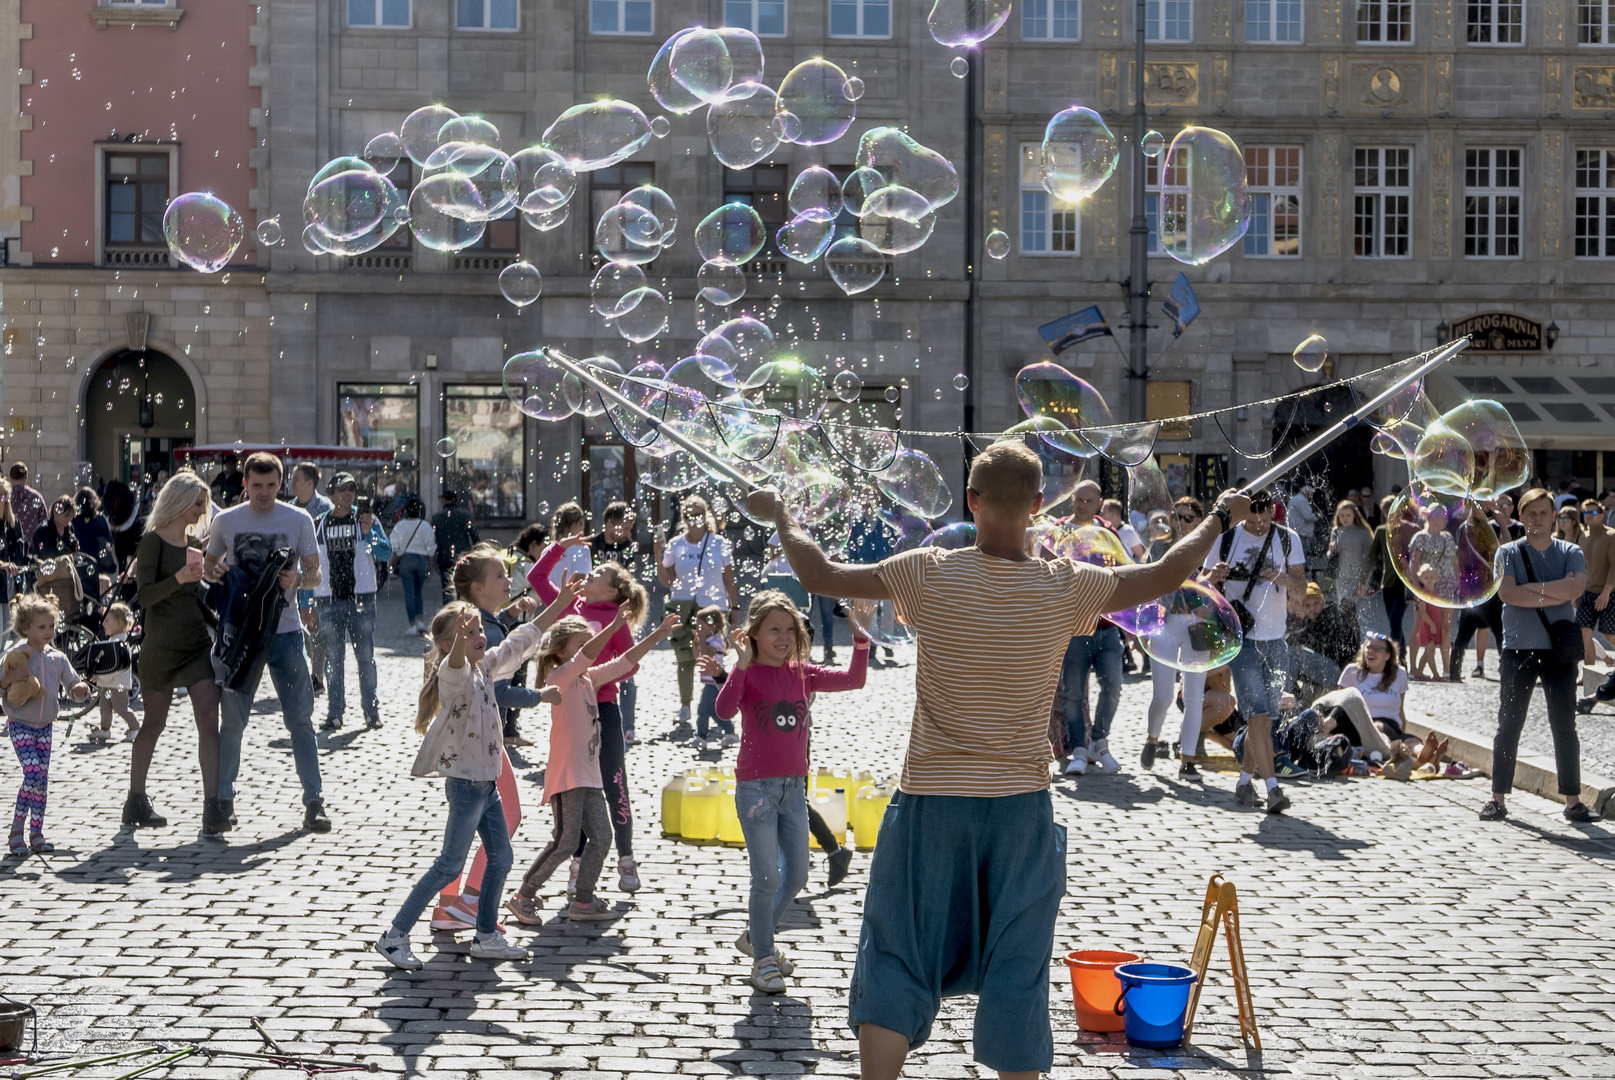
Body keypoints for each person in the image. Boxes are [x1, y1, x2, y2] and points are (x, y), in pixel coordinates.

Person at [756, 440, 1252, 1078]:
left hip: (933, 801)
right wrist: (1220, 517)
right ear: (1040, 505)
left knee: (898, 948)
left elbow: (821, 576)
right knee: (1018, 962)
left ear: (971, 501)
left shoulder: (927, 571)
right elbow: (1160, 578)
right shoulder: (1064, 586)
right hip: (1019, 808)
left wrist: (780, 517)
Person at [374, 602, 557, 971]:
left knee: (502, 858)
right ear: (447, 644)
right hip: (467, 786)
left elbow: (521, 641)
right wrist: (459, 638)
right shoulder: (453, 674)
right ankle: (394, 937)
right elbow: (455, 661)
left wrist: (561, 605)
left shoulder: (485, 666)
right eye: (468, 633)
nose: (478, 637)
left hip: (485, 785)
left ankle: (486, 936)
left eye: (478, 632)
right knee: (448, 866)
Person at [716, 590, 874, 994]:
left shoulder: (803, 672)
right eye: (773, 630)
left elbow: (854, 680)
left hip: (793, 789)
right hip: (757, 792)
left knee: (798, 874)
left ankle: (756, 936)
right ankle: (764, 958)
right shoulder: (749, 672)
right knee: (766, 877)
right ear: (753, 634)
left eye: (790, 629)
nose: (783, 636)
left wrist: (861, 639)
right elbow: (724, 710)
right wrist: (740, 667)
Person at [505, 607, 680, 926]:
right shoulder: (559, 678)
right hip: (566, 776)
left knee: (601, 837)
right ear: (560, 651)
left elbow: (625, 662)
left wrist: (657, 634)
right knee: (565, 841)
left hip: (590, 778)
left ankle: (583, 901)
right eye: (581, 644)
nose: (592, 649)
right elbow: (587, 656)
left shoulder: (589, 679)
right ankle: (523, 896)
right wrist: (613, 625)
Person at [430, 561, 579, 933]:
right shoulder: (482, 631)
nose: (508, 581)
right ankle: (469, 900)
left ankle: (449, 907)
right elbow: (499, 685)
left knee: (462, 830)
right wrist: (539, 696)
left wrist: (547, 607)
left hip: (471, 747)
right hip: (483, 746)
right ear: (477, 589)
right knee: (508, 815)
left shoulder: (473, 623)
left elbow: (522, 638)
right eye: (499, 576)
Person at [204, 452, 330, 833]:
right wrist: (216, 569)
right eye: (256, 486)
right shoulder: (226, 520)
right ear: (244, 484)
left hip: (286, 631)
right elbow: (208, 569)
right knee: (233, 723)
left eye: (271, 485)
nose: (263, 493)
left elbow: (315, 573)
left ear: (281, 483)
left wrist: (298, 581)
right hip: (240, 635)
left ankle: (314, 801)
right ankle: (223, 801)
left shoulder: (298, 519)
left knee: (300, 720)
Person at [529, 538, 650, 893]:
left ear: (612, 591)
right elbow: (538, 577)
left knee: (614, 783)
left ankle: (626, 857)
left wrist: (594, 676)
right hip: (572, 714)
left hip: (605, 710)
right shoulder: (570, 605)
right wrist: (558, 546)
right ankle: (579, 861)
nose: (590, 571)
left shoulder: (616, 617)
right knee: (577, 787)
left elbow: (630, 663)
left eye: (599, 572)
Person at [1485, 487, 1595, 824]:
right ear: (1521, 516)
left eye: (1543, 513)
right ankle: (1497, 797)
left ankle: (1572, 801)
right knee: (1509, 724)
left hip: (1559, 651)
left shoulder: (1571, 550)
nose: (1537, 519)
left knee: (1564, 725)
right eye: (1530, 513)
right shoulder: (1507, 551)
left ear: (1554, 517)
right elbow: (1508, 595)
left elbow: (1575, 590)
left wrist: (1532, 589)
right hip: (1517, 648)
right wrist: (1554, 591)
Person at [131, 472, 227, 833]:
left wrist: (217, 619)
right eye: (198, 503)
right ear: (179, 501)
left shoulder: (192, 542)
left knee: (209, 723)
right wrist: (180, 579)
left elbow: (193, 598)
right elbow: (144, 597)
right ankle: (135, 800)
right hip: (159, 648)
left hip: (195, 646)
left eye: (204, 503)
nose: (203, 510)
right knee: (153, 724)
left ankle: (212, 807)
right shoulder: (152, 542)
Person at [1205, 489, 1305, 813]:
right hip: (1241, 639)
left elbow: (1302, 591)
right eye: (1253, 519)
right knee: (1257, 715)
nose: (1260, 524)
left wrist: (1283, 578)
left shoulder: (1288, 539)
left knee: (1265, 719)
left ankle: (1244, 783)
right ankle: (1273, 788)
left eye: (1266, 518)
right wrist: (1212, 577)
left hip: (1276, 639)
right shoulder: (1224, 539)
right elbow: (1202, 587)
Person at [2, 593, 91, 853]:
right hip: (20, 723)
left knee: (41, 781)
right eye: (42, 627)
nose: (48, 632)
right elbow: (0, 682)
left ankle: (36, 833)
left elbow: (73, 683)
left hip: (46, 726)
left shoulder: (57, 658)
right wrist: (9, 680)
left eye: (51, 626)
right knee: (33, 773)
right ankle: (16, 832)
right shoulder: (16, 655)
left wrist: (80, 689)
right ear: (25, 628)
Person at [311, 474, 391, 732]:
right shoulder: (321, 523)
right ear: (331, 493)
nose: (346, 494)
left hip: (362, 598)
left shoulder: (366, 520)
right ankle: (335, 713)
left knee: (365, 657)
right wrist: (306, 600)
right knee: (334, 659)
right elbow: (312, 563)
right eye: (341, 489)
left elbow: (386, 553)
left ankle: (372, 712)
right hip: (328, 599)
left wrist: (370, 535)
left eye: (351, 489)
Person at [1059, 480, 1125, 776]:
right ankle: (1078, 749)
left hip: (1107, 626)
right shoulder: (1059, 531)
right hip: (1073, 628)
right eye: (1078, 499)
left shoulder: (1108, 533)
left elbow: (1121, 571)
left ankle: (1099, 740)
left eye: (1088, 500)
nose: (1081, 505)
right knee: (1073, 694)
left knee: (1113, 686)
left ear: (1099, 504)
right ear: (1071, 500)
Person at [660, 494, 739, 735]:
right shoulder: (675, 544)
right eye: (688, 514)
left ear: (706, 516)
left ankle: (716, 703)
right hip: (683, 606)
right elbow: (666, 580)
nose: (693, 518)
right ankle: (685, 704)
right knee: (685, 658)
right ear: (683, 517)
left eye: (698, 513)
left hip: (713, 608)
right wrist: (657, 553)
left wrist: (735, 608)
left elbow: (728, 578)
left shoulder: (719, 543)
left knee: (714, 658)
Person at [1142, 496, 1201, 768]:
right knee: (1163, 695)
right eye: (1177, 517)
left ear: (1200, 521)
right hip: (1166, 624)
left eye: (1189, 518)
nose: (1183, 523)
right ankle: (1152, 739)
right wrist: (1144, 624)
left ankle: (1187, 758)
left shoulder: (1210, 547)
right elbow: (1150, 585)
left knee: (1193, 697)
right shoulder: (1160, 547)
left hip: (1200, 625)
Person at [289, 461, 335, 692]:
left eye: (296, 478)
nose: (291, 482)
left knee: (317, 630)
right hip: (294, 580)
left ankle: (317, 677)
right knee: (304, 631)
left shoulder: (326, 509)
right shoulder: (290, 507)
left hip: (319, 580)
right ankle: (311, 673)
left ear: (309, 483)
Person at [1406, 504, 1457, 680]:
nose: (1446, 520)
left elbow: (1455, 560)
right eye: (1443, 516)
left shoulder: (1448, 537)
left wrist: (1458, 582)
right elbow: (1414, 564)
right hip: (1428, 590)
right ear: (1433, 518)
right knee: (1421, 627)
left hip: (1447, 588)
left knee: (1445, 628)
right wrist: (1416, 587)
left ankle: (1446, 670)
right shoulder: (1420, 538)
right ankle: (1413, 669)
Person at [687, 606, 737, 751]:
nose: (699, 629)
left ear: (713, 625)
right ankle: (730, 732)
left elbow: (706, 656)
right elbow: (698, 657)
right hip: (709, 682)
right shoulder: (708, 639)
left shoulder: (717, 641)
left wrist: (702, 641)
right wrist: (696, 643)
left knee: (703, 709)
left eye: (701, 626)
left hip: (715, 682)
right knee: (714, 711)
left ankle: (701, 736)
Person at [90, 601, 139, 745]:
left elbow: (114, 667)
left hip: (118, 683)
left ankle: (135, 727)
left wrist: (99, 675)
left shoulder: (119, 643)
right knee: (104, 706)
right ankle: (105, 729)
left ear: (119, 622)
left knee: (121, 708)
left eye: (107, 620)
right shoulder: (113, 640)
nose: (103, 623)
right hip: (109, 683)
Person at [1366, 495, 1409, 653]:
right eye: (1385, 511)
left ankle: (1395, 655)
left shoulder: (1407, 529)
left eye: (1391, 510)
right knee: (1393, 622)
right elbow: (1372, 557)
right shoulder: (1381, 530)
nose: (1388, 513)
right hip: (1388, 582)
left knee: (1395, 619)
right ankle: (1402, 653)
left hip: (1405, 583)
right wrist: (1365, 580)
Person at [389, 497, 436, 635]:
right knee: (418, 592)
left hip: (406, 560)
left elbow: (394, 546)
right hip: (422, 560)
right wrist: (430, 566)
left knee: (409, 593)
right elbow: (431, 548)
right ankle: (420, 620)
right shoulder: (425, 525)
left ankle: (412, 624)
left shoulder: (400, 525)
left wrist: (392, 562)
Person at [1328, 499, 1374, 630]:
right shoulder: (1336, 531)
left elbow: (1370, 559)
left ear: (1355, 515)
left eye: (1348, 515)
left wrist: (1365, 582)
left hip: (1356, 576)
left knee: (1347, 605)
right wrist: (1331, 550)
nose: (1345, 518)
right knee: (1344, 610)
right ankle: (1351, 638)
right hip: (1340, 577)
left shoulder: (1363, 533)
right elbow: (1330, 558)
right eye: (1342, 515)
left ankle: (1354, 638)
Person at [432, 489, 480, 602]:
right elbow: (474, 536)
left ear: (443, 500)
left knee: (446, 588)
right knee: (463, 586)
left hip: (445, 556)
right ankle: (461, 607)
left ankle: (449, 612)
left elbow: (433, 538)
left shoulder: (437, 517)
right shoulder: (465, 515)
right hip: (463, 555)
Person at [547, 503, 592, 588]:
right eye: (582, 523)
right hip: (572, 601)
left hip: (550, 601)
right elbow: (580, 584)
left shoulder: (547, 551)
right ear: (578, 524)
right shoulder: (582, 549)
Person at [7, 463, 47, 545]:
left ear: (10, 478)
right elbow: (44, 522)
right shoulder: (35, 496)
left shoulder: (5, 497)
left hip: (10, 545)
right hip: (33, 545)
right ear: (26, 478)